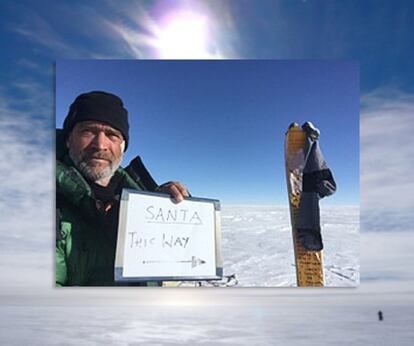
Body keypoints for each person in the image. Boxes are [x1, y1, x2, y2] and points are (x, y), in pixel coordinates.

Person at [56, 91, 189, 286]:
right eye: (88, 131)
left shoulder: (142, 199)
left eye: (112, 135)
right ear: (68, 140)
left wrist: (172, 210)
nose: (100, 144)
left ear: (123, 147)